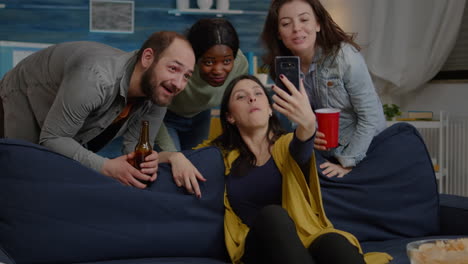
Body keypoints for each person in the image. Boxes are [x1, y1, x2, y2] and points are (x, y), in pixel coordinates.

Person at [160, 74, 392, 263]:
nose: (252, 99)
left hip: (303, 240)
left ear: (270, 109)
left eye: (258, 94)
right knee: (274, 215)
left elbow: (302, 146)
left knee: (335, 242)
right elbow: (157, 155)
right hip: (256, 247)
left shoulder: (286, 145)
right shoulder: (219, 153)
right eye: (241, 96)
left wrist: (309, 124)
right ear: (230, 116)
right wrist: (174, 156)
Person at [0, 31, 196, 189]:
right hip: (21, 94)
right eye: (173, 68)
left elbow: (135, 153)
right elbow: (53, 139)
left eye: (187, 76)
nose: (179, 84)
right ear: (147, 58)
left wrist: (173, 156)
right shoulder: (97, 79)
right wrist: (106, 166)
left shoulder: (159, 93)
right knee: (23, 174)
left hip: (63, 121)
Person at [260, 0, 386, 178]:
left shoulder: (344, 57)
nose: (296, 28)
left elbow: (370, 116)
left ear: (318, 24)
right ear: (279, 33)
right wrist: (308, 133)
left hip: (365, 152)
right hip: (324, 156)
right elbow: (296, 122)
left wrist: (348, 163)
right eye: (286, 24)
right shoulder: (284, 69)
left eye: (304, 20)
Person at [155, 18, 249, 151]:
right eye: (209, 62)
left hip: (201, 115)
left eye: (227, 61)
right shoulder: (177, 64)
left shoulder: (240, 64)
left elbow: (236, 106)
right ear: (194, 57)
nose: (218, 70)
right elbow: (150, 108)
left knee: (194, 163)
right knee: (171, 164)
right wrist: (172, 154)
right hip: (163, 115)